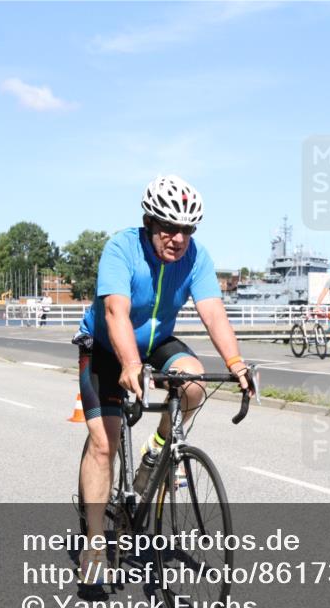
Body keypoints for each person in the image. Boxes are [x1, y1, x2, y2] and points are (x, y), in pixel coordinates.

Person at [74, 174, 253, 583]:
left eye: (187, 229)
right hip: (105, 343)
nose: (178, 238)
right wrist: (130, 364)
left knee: (192, 383)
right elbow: (116, 312)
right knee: (105, 443)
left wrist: (237, 362)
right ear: (149, 222)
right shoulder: (121, 248)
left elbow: (213, 312)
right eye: (169, 228)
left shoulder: (197, 258)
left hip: (156, 340)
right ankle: (96, 542)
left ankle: (158, 451)